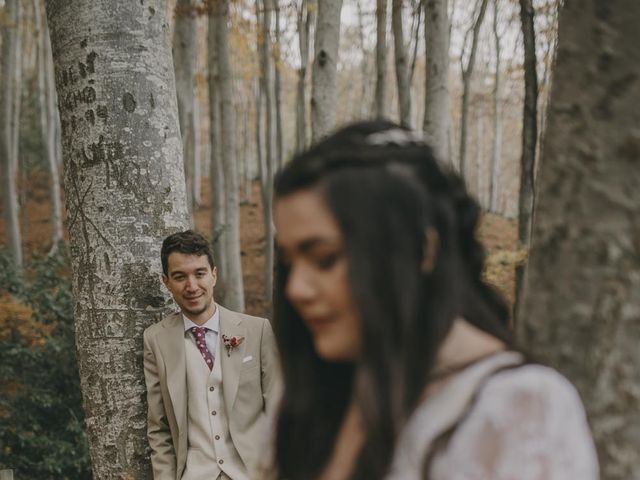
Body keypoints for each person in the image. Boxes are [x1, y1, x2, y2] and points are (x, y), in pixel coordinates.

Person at [269, 121, 598, 479]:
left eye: (324, 259)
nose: (296, 289)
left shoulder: (521, 408)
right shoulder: (318, 393)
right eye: (289, 265)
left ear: (421, 250)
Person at [143, 230, 280, 480]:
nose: (192, 286)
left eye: (200, 273)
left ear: (214, 275)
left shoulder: (257, 330)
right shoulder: (156, 340)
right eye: (180, 276)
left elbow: (278, 413)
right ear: (166, 281)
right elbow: (159, 429)